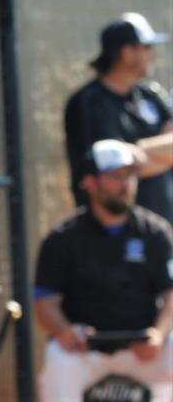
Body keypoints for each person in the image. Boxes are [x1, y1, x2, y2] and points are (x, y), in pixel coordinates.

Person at [34, 139, 173, 401]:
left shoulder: (156, 233)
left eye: (130, 175)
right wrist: (64, 331)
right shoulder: (61, 238)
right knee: (57, 358)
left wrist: (159, 334)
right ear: (90, 182)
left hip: (142, 351)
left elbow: (170, 295)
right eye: (115, 176)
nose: (126, 184)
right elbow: (45, 302)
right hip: (85, 352)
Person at [65, 12, 173, 223]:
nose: (154, 55)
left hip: (162, 231)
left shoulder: (151, 95)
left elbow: (133, 160)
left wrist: (139, 152)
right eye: (147, 47)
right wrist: (162, 154)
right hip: (111, 232)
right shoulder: (88, 102)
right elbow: (113, 165)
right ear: (127, 53)